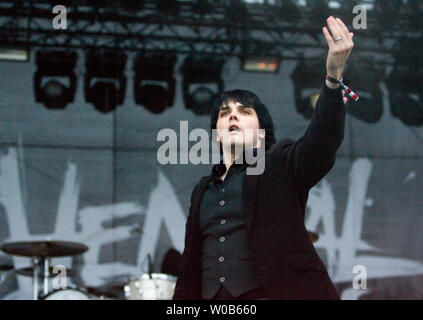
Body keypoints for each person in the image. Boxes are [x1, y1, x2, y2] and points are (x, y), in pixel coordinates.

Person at [173, 16, 354, 300]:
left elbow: (323, 141)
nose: (232, 115)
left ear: (261, 130)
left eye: (244, 112)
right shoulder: (201, 190)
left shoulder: (281, 162)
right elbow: (190, 266)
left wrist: (332, 79)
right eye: (224, 113)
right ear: (217, 134)